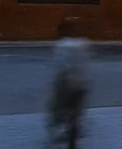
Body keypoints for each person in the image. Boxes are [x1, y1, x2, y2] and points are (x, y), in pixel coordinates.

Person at [47, 19, 90, 149]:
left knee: (59, 107)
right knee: (75, 111)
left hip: (66, 83)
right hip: (80, 83)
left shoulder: (62, 45)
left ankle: (57, 130)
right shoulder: (83, 43)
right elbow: (86, 63)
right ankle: (73, 134)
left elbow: (59, 65)